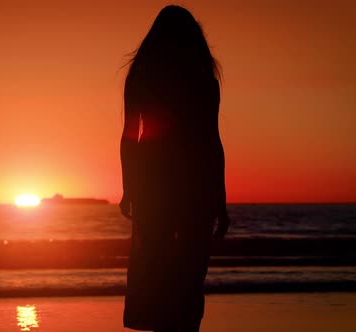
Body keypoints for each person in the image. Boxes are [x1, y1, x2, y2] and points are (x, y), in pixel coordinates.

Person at [119, 5, 230, 332]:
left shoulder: (140, 78)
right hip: (195, 186)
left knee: (155, 277)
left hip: (154, 186)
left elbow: (129, 137)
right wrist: (220, 200)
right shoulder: (204, 82)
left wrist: (129, 187)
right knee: (188, 279)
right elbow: (213, 143)